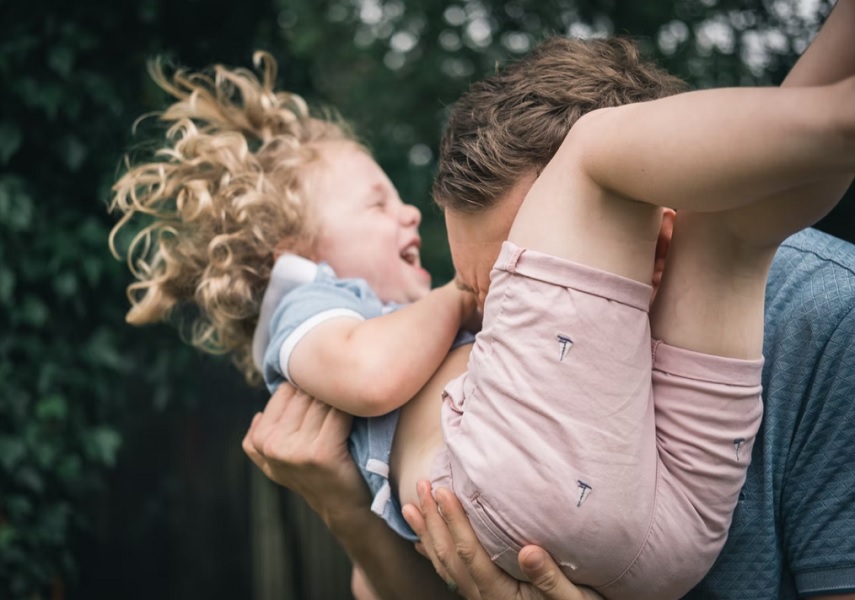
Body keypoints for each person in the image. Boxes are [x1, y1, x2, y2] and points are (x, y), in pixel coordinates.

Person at [245, 2, 855, 600]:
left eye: (522, 281)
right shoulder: (345, 317)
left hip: (672, 538)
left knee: (725, 218)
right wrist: (346, 508)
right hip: (659, 535)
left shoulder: (824, 319)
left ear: (659, 238)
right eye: (489, 298)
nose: (495, 327)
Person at [108, 51, 477, 596]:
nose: (411, 212)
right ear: (298, 255)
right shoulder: (309, 308)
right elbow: (371, 373)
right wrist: (462, 296)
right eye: (378, 205)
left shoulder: (400, 325)